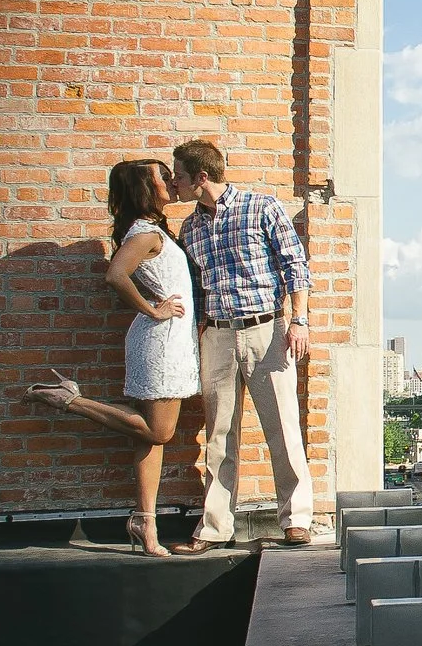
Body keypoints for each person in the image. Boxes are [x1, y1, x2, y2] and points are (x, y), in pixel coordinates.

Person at [28, 159, 202, 556]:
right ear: (145, 187)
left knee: (149, 437)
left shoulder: (153, 230)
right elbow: (115, 275)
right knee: (159, 432)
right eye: (163, 177)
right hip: (160, 341)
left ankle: (145, 523)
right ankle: (68, 399)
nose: (172, 182)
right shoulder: (144, 233)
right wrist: (152, 309)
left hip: (171, 341)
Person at [171, 139, 315, 545]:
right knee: (218, 436)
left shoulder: (262, 207)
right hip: (216, 333)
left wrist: (299, 320)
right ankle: (216, 527)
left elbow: (295, 266)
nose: (173, 183)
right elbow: (196, 287)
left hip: (267, 330)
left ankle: (296, 519)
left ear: (201, 177)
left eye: (178, 175)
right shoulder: (190, 227)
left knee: (283, 429)